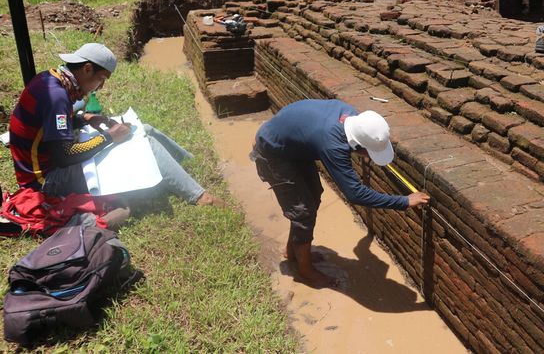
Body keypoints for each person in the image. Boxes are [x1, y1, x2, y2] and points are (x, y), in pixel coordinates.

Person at [8, 43, 223, 217]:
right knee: (144, 144)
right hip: (45, 182)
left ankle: (186, 162)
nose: (100, 87)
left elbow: (52, 124)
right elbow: (64, 155)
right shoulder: (57, 97)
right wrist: (109, 137)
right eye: (101, 80)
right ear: (87, 69)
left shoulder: (53, 79)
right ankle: (201, 197)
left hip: (46, 167)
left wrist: (86, 118)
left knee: (143, 129)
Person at [250, 99, 430, 288]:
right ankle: (305, 271)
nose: (368, 157)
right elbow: (355, 194)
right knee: (302, 211)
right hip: (273, 152)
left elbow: (361, 250)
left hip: (292, 146)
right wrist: (403, 201)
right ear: (359, 146)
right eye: (369, 153)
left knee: (313, 196)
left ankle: (293, 250)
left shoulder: (351, 116)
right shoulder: (333, 145)